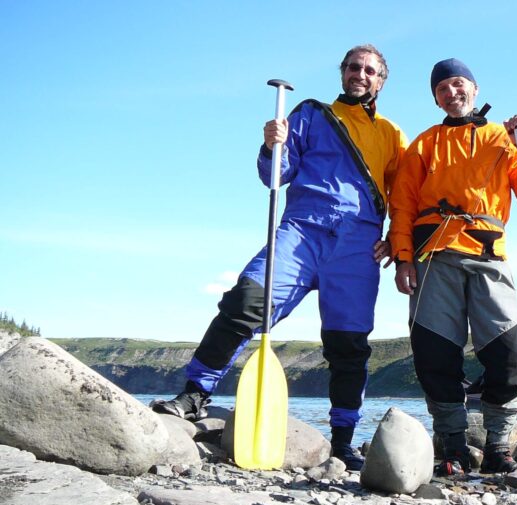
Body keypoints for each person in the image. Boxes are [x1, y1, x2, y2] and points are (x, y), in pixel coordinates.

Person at [152, 44, 407, 471]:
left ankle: (343, 439)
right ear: (342, 72)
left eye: (369, 70)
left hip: (357, 245)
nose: (360, 74)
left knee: (349, 345)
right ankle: (195, 395)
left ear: (381, 81)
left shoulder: (392, 135)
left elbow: (403, 196)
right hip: (302, 231)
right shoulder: (309, 113)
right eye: (353, 67)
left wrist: (396, 242)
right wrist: (272, 145)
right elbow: (275, 175)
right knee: (244, 303)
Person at [388, 58, 517, 476]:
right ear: (436, 99)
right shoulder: (424, 144)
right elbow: (402, 205)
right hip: (434, 257)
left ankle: (498, 446)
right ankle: (454, 448)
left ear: (474, 89)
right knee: (435, 355)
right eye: (442, 88)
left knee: (507, 354)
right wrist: (403, 258)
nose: (451, 92)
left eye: (458, 84)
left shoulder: (502, 137)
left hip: (488, 254)